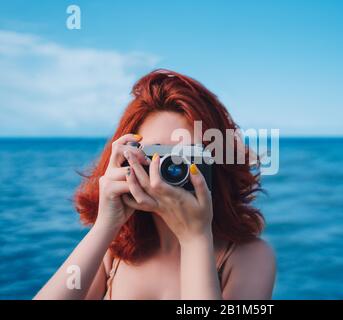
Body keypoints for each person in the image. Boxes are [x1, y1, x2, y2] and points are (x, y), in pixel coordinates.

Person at [35, 69, 276, 300]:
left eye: (187, 156)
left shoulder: (250, 257)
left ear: (216, 163)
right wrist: (105, 226)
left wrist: (195, 240)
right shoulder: (113, 250)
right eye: (156, 154)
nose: (170, 169)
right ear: (126, 159)